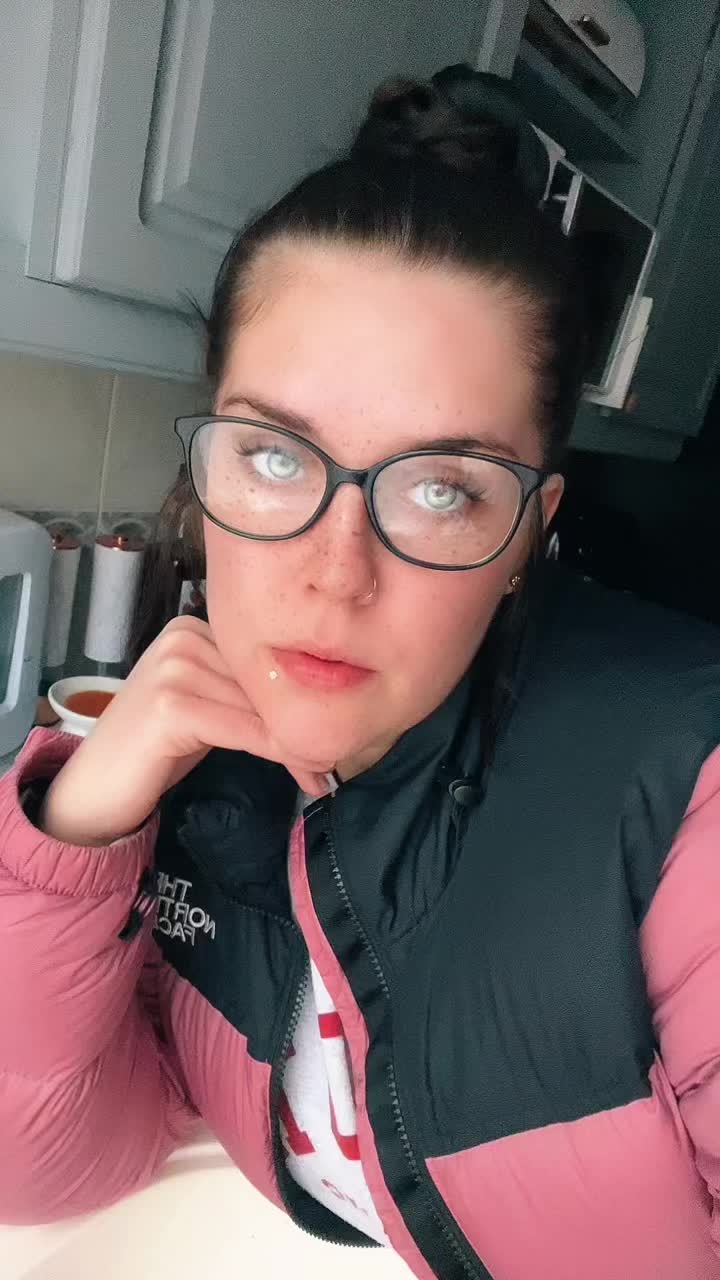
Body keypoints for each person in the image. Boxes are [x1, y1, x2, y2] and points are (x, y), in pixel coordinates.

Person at [0, 64, 718, 1280]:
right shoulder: (194, 786)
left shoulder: (685, 798)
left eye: (443, 488)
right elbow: (44, 1165)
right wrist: (80, 826)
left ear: (529, 534)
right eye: (277, 457)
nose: (336, 575)